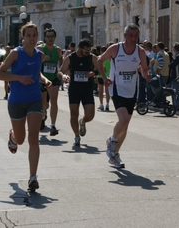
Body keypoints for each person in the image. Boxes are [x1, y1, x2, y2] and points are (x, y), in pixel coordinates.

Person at [0, 22, 52, 192]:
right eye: (28, 35)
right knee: (21, 140)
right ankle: (13, 136)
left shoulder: (39, 55)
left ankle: (33, 177)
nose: (32, 38)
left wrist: (44, 80)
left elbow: (37, 73)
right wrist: (18, 78)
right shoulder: (15, 53)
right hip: (17, 101)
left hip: (35, 98)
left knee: (33, 137)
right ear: (23, 37)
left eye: (34, 35)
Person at [97, 24, 151, 168]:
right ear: (125, 36)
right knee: (123, 119)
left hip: (131, 90)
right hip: (116, 88)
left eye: (136, 36)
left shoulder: (140, 52)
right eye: (131, 36)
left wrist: (147, 76)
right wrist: (104, 77)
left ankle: (115, 155)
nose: (133, 39)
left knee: (125, 125)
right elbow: (99, 60)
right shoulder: (115, 49)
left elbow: (144, 70)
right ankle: (112, 140)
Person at [58, 38, 99, 146]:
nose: (87, 53)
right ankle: (76, 135)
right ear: (79, 49)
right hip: (74, 89)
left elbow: (101, 68)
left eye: (89, 51)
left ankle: (83, 122)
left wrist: (94, 72)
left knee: (90, 115)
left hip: (87, 89)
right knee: (74, 113)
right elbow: (60, 71)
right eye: (86, 51)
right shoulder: (70, 58)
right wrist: (64, 76)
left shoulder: (91, 57)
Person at [38, 28, 63, 135]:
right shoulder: (40, 49)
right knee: (44, 104)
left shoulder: (57, 50)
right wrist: (42, 59)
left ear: (55, 37)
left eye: (52, 36)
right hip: (41, 79)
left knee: (54, 101)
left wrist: (62, 75)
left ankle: (53, 125)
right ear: (44, 38)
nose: (50, 38)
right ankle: (43, 115)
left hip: (53, 79)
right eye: (48, 36)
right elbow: (33, 62)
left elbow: (61, 63)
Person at [168, 42, 179, 111]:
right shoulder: (178, 56)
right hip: (176, 76)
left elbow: (171, 65)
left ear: (175, 49)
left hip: (176, 77)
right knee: (174, 91)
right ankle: (175, 105)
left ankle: (176, 106)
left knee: (175, 92)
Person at [96, 46, 111, 111]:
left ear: (101, 51)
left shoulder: (99, 57)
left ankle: (101, 104)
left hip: (100, 76)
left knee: (100, 91)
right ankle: (107, 104)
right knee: (107, 91)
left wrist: (95, 76)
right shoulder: (109, 58)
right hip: (108, 76)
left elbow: (97, 67)